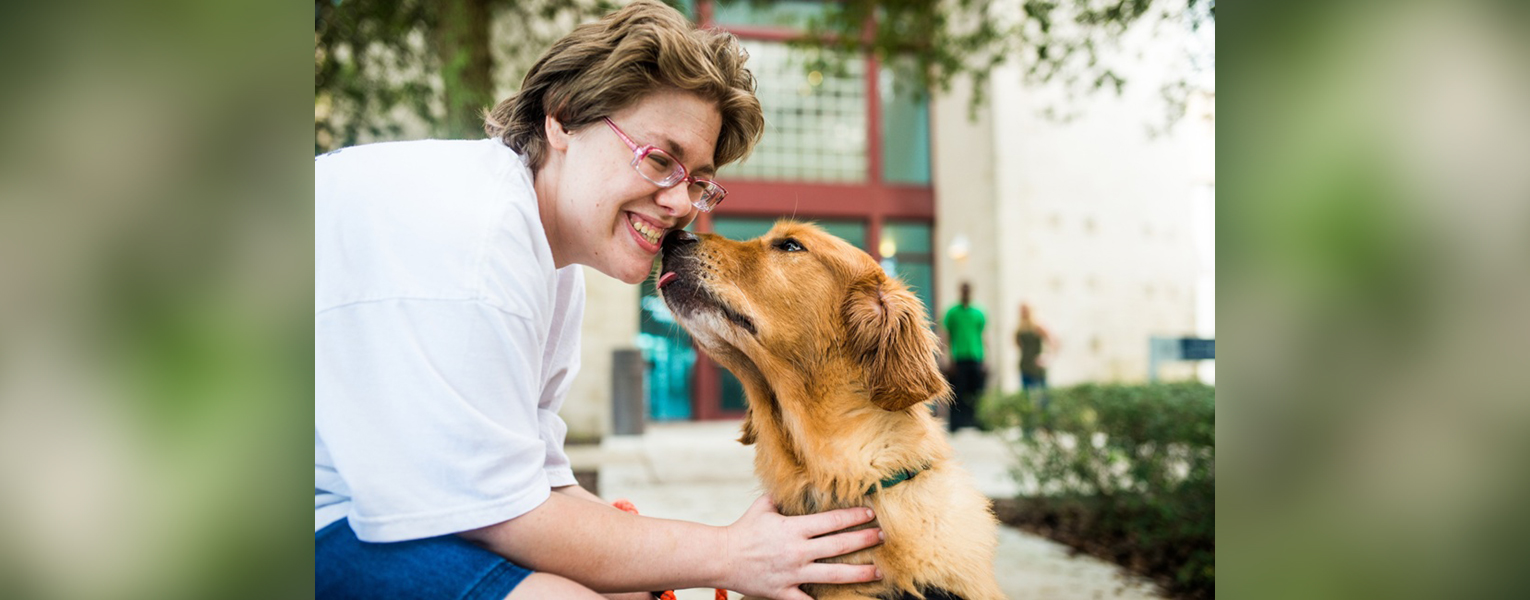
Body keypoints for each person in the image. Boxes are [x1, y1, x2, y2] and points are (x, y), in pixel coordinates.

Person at [314, 2, 883, 599]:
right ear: (562, 120)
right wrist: (730, 555)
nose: (681, 204)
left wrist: (655, 558)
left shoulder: (546, 259)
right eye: (660, 159)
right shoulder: (479, 241)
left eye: (696, 180)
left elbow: (536, 482)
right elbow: (500, 517)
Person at [941, 282, 987, 432]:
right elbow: (945, 335)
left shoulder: (979, 313)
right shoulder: (952, 313)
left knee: (978, 393)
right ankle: (956, 424)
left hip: (976, 358)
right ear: (960, 291)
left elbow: (984, 336)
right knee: (957, 393)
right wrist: (946, 357)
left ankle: (979, 422)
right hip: (958, 359)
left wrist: (985, 359)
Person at [1016, 303, 1055, 431]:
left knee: (1043, 400)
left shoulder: (1038, 326)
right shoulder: (1019, 328)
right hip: (1024, 367)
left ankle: (1047, 428)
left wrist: (1046, 356)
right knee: (1026, 400)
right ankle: (1028, 430)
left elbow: (1053, 342)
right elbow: (1017, 343)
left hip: (1037, 369)